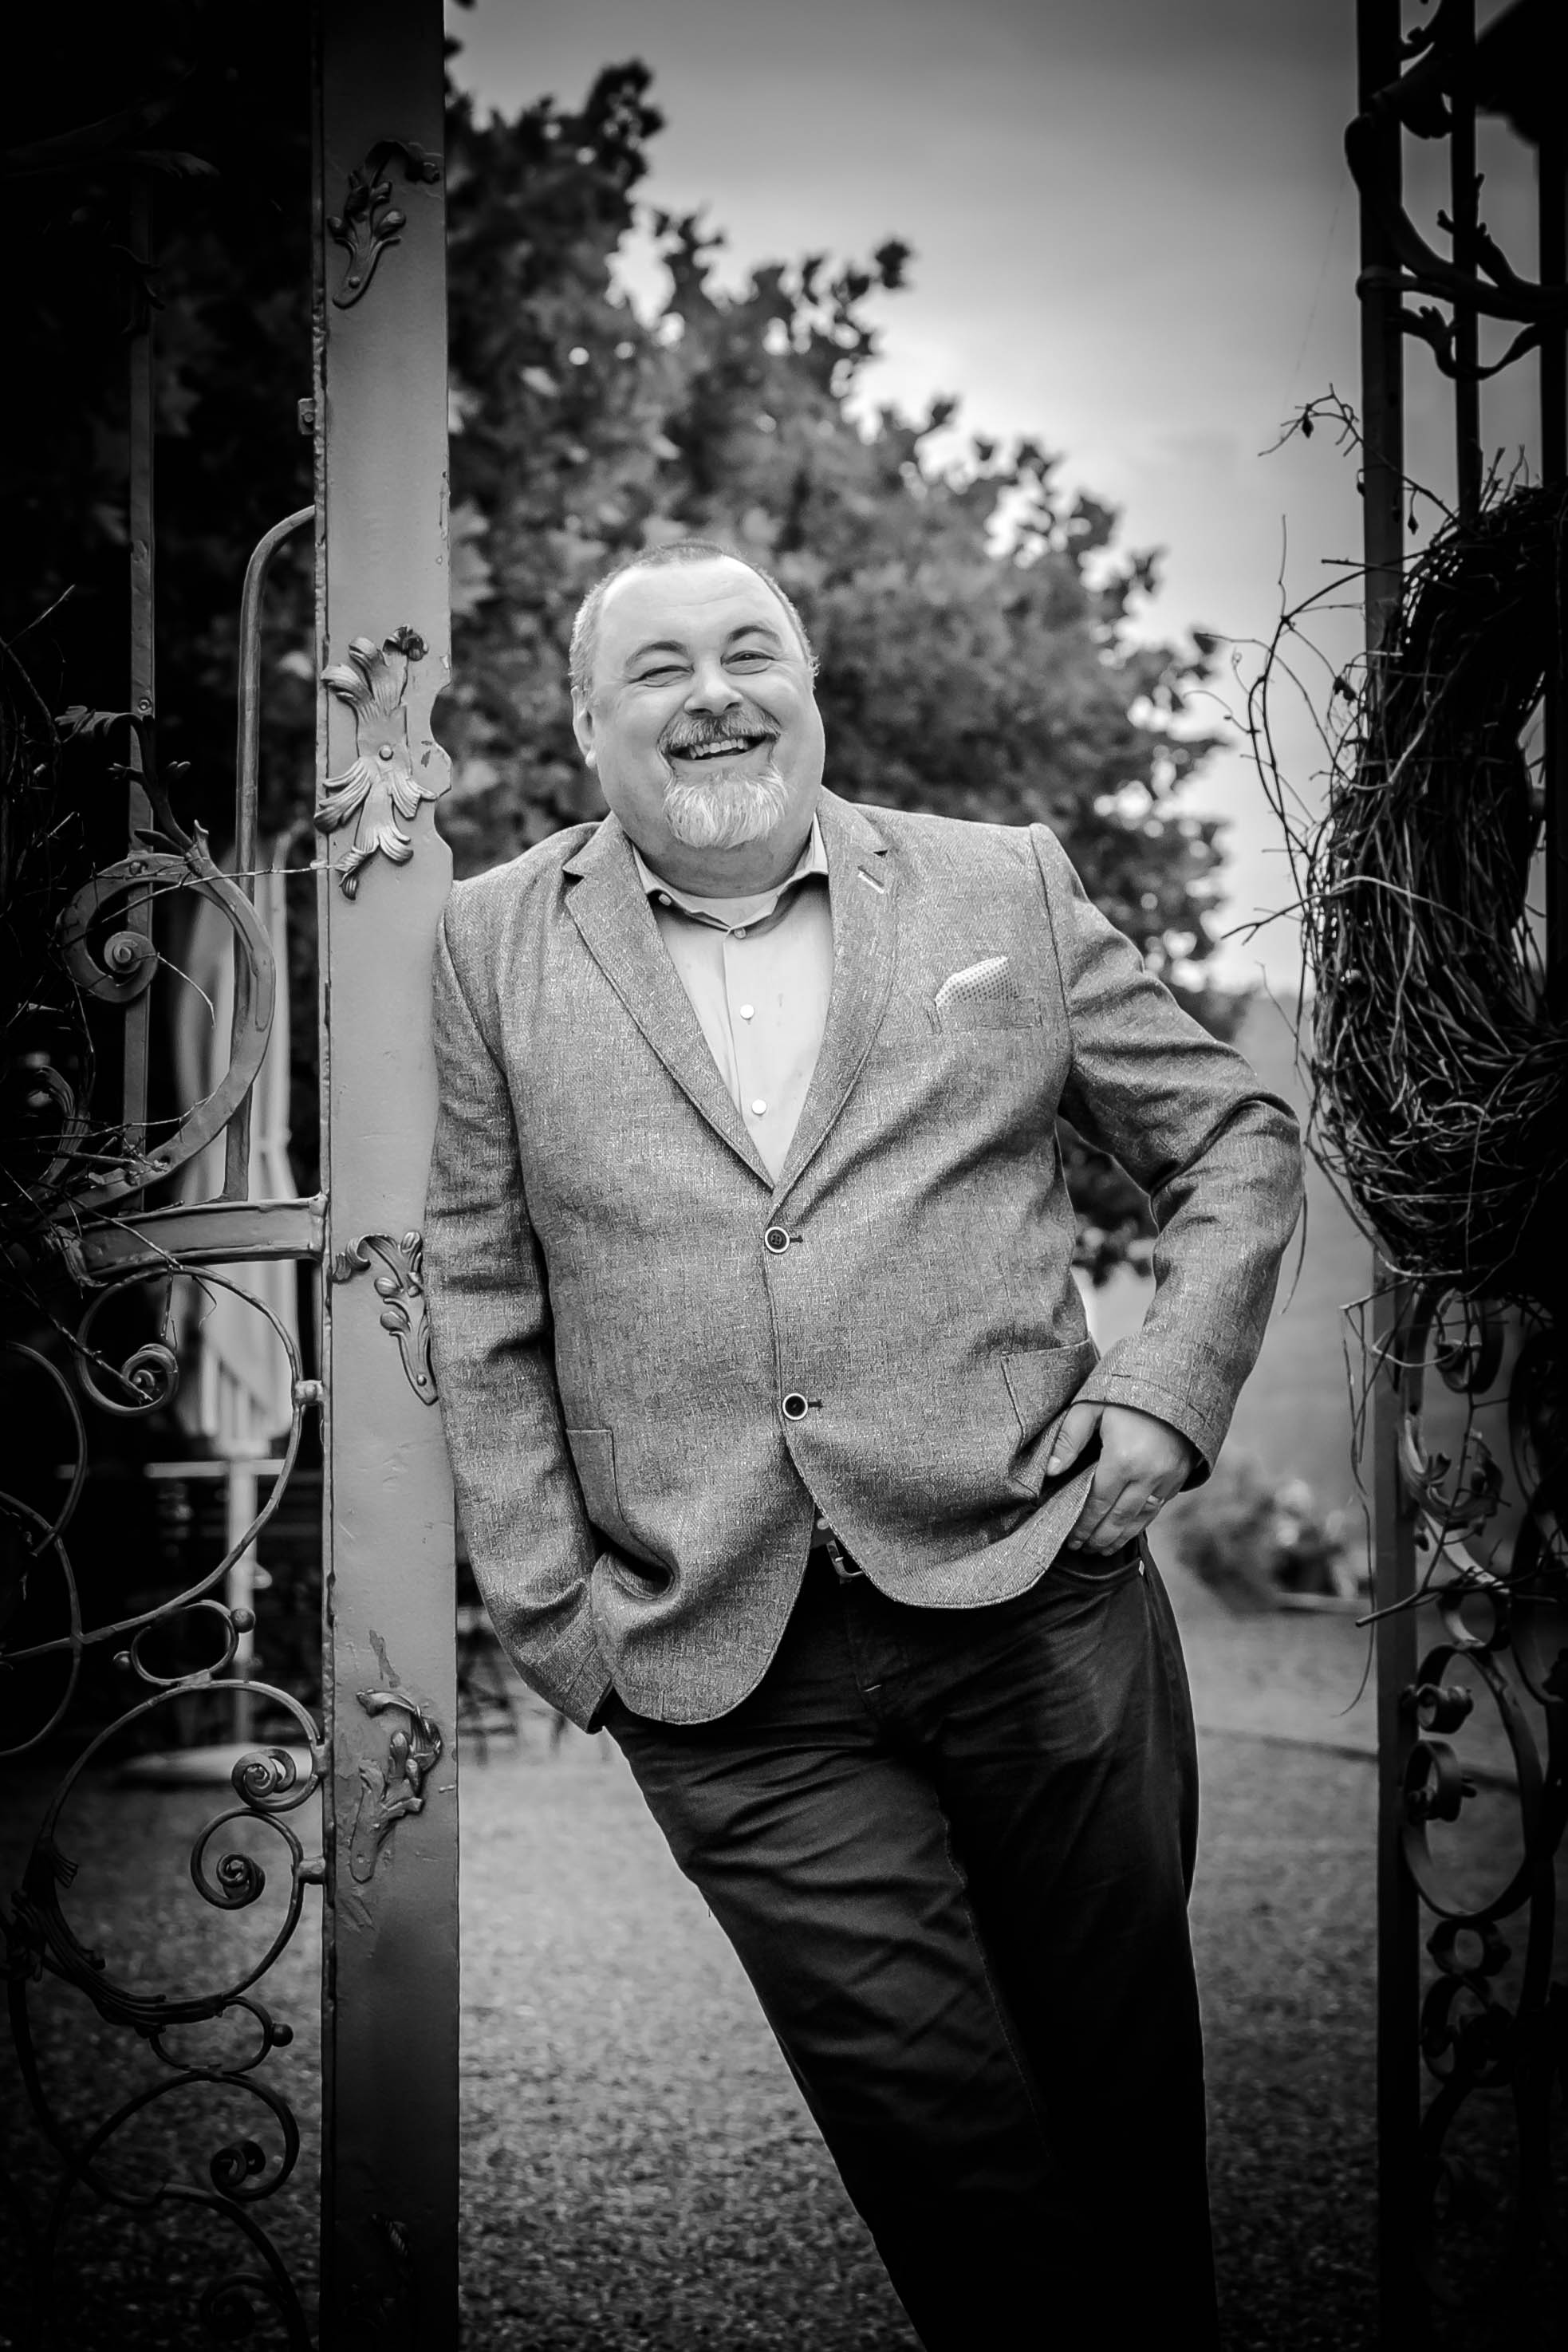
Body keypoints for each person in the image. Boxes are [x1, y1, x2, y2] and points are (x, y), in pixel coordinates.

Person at [424, 540, 1303, 2348]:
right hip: (726, 1672)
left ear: (810, 687)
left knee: (1122, 2119)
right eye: (658, 668)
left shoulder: (1001, 881)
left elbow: (1231, 1141)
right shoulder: (489, 939)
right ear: (586, 725)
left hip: (1040, 1598)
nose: (714, 694)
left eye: (751, 651)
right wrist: (559, 1621)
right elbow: (480, 1283)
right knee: (949, 2157)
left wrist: (1163, 1389)